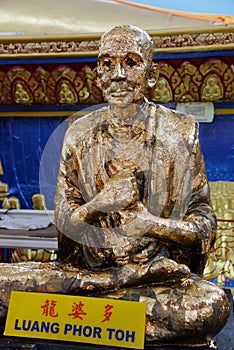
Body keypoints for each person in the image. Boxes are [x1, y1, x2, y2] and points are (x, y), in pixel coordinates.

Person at [54, 24, 230, 346]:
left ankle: (96, 322)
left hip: (155, 278)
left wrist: (151, 225)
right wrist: (98, 205)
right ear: (98, 76)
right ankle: (122, 323)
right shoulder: (77, 134)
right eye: (107, 64)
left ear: (151, 75)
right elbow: (65, 224)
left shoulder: (180, 132)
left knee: (210, 306)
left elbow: (203, 225)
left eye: (131, 63)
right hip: (90, 278)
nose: (118, 75)